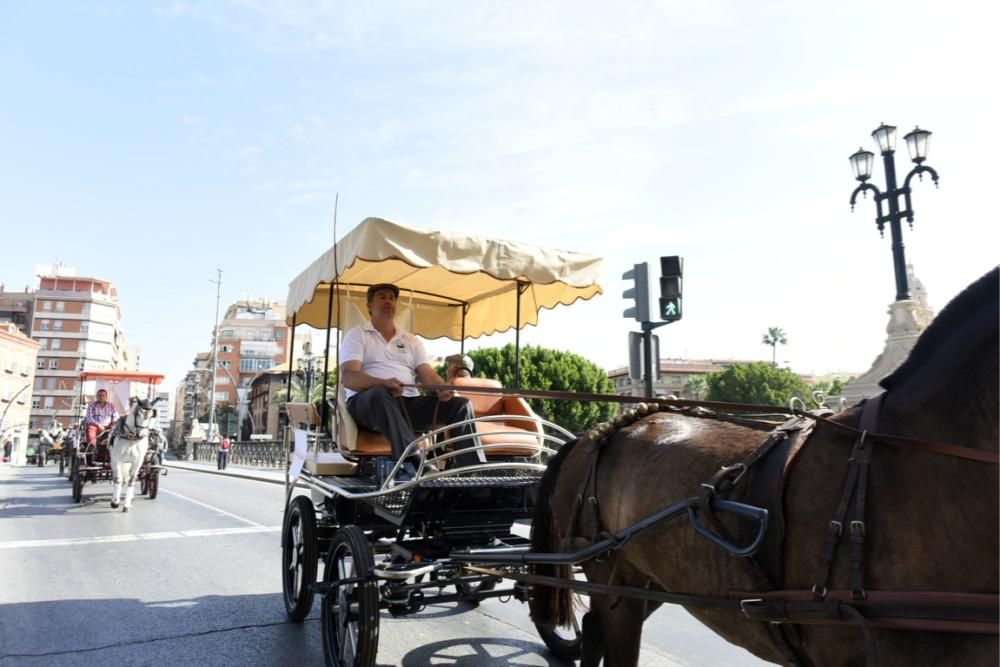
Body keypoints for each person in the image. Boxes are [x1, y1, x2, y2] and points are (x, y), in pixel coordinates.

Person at [340, 283, 486, 481]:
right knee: (379, 394)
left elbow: (427, 374)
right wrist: (383, 383)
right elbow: (349, 377)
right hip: (366, 404)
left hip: (406, 403)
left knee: (460, 405)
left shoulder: (411, 340)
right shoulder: (356, 335)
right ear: (369, 306)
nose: (388, 301)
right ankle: (412, 462)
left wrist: (441, 388)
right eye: (382, 297)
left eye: (392, 298)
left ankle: (475, 473)